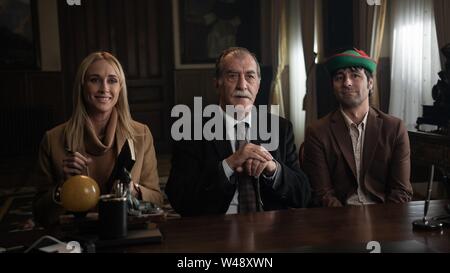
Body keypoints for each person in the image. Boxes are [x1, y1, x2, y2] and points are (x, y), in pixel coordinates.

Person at [166, 47, 310, 216]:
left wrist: (274, 169)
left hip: (271, 233)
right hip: (215, 231)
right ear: (217, 83)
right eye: (232, 76)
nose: (242, 85)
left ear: (258, 84)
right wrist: (229, 165)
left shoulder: (280, 128)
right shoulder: (191, 130)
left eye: (250, 76)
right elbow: (179, 199)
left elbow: (303, 196)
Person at [32, 51, 163, 226]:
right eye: (94, 80)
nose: (104, 88)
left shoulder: (141, 134)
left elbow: (157, 201)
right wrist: (63, 187)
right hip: (75, 238)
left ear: (120, 88)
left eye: (112, 80)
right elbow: (41, 215)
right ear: (82, 86)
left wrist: (134, 190)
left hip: (127, 232)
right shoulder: (52, 140)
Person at [303, 48, 413, 207]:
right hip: (337, 222)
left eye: (355, 76)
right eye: (339, 77)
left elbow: (401, 191)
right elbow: (322, 194)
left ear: (370, 83)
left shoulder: (394, 128)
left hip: (386, 219)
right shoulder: (318, 132)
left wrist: (383, 225)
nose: (347, 82)